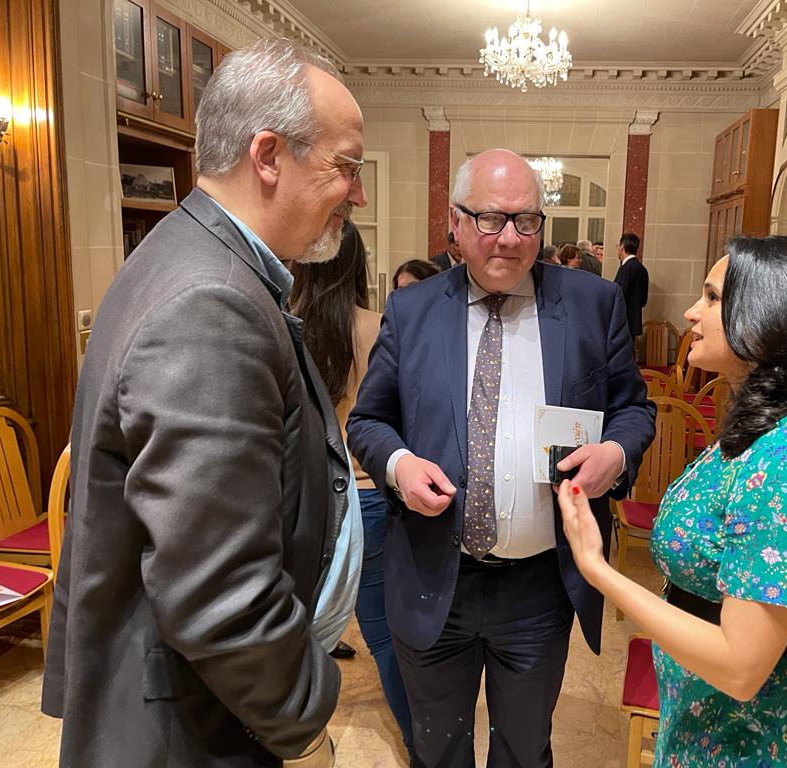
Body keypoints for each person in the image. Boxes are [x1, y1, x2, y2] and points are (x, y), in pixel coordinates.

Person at [42, 38, 367, 768]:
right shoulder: (213, 300)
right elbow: (219, 592)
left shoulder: (189, 255)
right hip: (191, 727)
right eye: (346, 167)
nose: (358, 192)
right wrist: (304, 727)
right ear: (268, 155)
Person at [347, 149, 656, 767]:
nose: (510, 239)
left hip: (538, 588)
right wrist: (400, 465)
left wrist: (616, 454)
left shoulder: (594, 304)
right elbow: (368, 420)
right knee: (436, 749)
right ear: (456, 224)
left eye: (527, 221)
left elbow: (634, 409)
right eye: (491, 220)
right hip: (436, 577)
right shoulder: (412, 311)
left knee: (523, 748)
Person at [557, 235, 787, 767]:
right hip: (709, 718)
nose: (691, 313)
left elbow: (739, 666)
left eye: (711, 298)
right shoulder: (765, 426)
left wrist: (598, 569)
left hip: (750, 740)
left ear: (769, 317)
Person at [289, 221, 417, 763]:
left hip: (305, 499)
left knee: (292, 628)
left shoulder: (284, 322)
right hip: (367, 493)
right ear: (357, 267)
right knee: (386, 637)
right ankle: (420, 743)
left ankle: (295, 735)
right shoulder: (378, 325)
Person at [613, 232, 649, 339]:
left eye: (618, 246)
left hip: (622, 321)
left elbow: (619, 294)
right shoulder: (642, 269)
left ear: (622, 247)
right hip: (634, 321)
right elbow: (643, 300)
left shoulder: (625, 268)